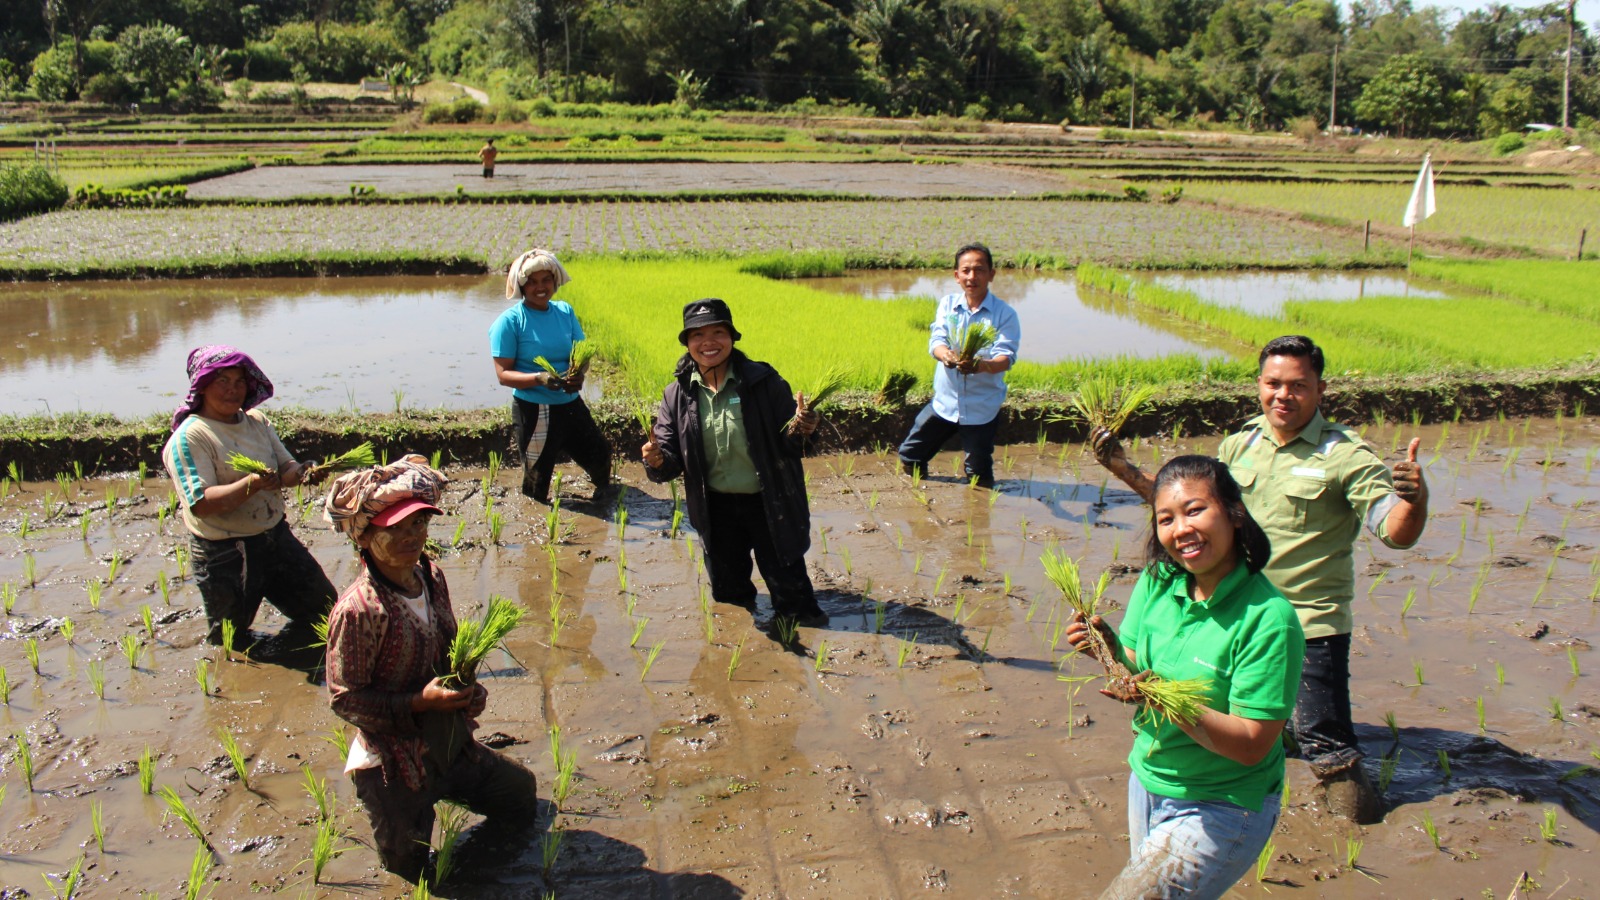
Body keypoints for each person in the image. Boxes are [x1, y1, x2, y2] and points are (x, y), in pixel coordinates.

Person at [1091, 334, 1428, 823]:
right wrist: (1124, 470)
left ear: (1320, 389)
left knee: (1325, 743)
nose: (1283, 396)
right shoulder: (1241, 442)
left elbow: (1394, 532)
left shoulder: (1344, 456)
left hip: (1307, 623)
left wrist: (1414, 502)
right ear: (1259, 385)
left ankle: (1362, 827)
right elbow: (1192, 516)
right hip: (1234, 615)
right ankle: (1254, 811)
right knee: (1244, 724)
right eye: (1273, 384)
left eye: (1297, 385)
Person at [1068, 455, 1304, 900]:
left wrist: (1164, 698)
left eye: (1195, 510)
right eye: (1166, 518)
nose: (1180, 529)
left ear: (1234, 513)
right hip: (1150, 779)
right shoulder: (1160, 580)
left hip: (1222, 804)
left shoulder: (1269, 619)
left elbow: (1253, 744)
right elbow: (1136, 668)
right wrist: (1107, 647)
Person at [324, 456, 539, 883]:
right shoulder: (359, 610)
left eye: (419, 525)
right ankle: (405, 813)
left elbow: (447, 647)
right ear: (365, 538)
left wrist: (467, 689)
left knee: (521, 797)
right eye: (396, 529)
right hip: (394, 760)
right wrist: (420, 702)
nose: (412, 537)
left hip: (447, 741)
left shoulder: (430, 575)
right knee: (407, 867)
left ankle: (451, 783)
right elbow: (346, 699)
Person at [641, 299, 827, 629]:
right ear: (687, 343)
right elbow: (669, 462)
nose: (708, 342)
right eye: (697, 335)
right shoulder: (678, 394)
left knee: (797, 605)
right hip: (715, 508)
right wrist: (656, 460)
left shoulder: (764, 382)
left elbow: (791, 445)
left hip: (769, 502)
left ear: (732, 337)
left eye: (717, 332)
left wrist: (804, 427)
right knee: (730, 600)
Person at [161, 345, 335, 658]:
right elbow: (199, 502)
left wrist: (303, 472)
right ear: (202, 386)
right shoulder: (191, 437)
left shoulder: (256, 422)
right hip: (227, 554)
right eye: (222, 382)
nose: (233, 390)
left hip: (275, 538)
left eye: (239, 382)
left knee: (324, 610)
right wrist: (251, 485)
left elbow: (285, 469)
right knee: (230, 641)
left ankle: (295, 660)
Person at [490, 248, 612, 504]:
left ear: (555, 281)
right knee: (537, 477)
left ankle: (604, 497)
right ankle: (538, 515)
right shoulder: (510, 321)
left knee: (599, 452)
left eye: (546, 280)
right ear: (521, 286)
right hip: (536, 411)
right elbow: (503, 375)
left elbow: (582, 351)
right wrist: (539, 378)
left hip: (569, 404)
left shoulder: (564, 311)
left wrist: (578, 373)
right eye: (532, 282)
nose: (540, 287)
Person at [897, 242, 1020, 488]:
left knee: (979, 472)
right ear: (957, 275)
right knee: (911, 454)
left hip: (980, 406)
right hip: (945, 401)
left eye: (979, 270)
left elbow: (1005, 358)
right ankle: (916, 492)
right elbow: (937, 340)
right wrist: (946, 357)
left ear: (991, 274)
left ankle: (979, 514)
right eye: (966, 270)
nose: (972, 276)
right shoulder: (948, 305)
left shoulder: (1005, 314)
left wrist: (981, 366)